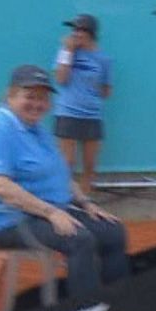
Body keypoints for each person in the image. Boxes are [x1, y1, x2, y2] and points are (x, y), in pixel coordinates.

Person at [0, 64, 129, 301]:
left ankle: (117, 304)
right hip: (3, 222)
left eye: (43, 98)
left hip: (39, 212)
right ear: (11, 95)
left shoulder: (36, 130)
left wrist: (85, 203)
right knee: (79, 239)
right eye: (30, 96)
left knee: (112, 232)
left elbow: (60, 174)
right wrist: (51, 213)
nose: (37, 104)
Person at [52, 13, 113, 195]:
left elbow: (106, 90)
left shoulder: (104, 59)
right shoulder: (65, 53)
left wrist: (91, 93)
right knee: (67, 163)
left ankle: (85, 201)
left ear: (90, 33)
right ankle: (63, 199)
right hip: (67, 113)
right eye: (74, 30)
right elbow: (60, 79)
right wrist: (68, 51)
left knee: (89, 164)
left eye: (79, 30)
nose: (75, 34)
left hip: (92, 115)